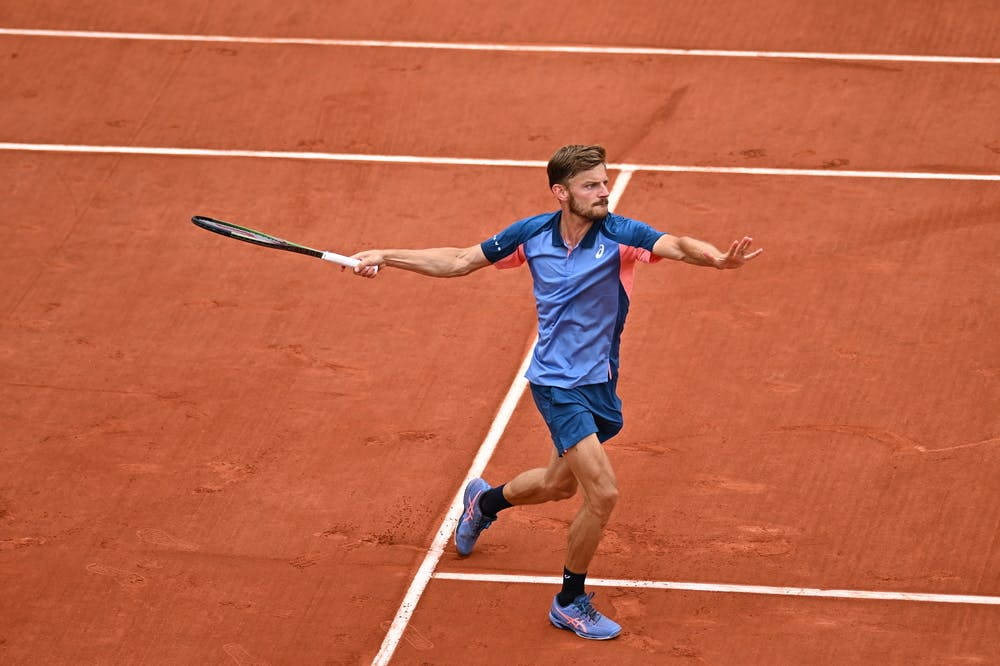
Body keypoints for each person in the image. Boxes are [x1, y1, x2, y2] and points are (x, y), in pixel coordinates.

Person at [349, 144, 762, 640]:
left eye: (605, 183)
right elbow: (459, 260)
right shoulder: (532, 235)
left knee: (557, 485)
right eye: (591, 185)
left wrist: (717, 259)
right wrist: (385, 256)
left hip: (600, 384)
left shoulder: (620, 234)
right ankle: (569, 601)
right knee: (603, 493)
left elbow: (676, 244)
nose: (604, 192)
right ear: (561, 193)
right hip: (555, 384)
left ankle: (485, 502)